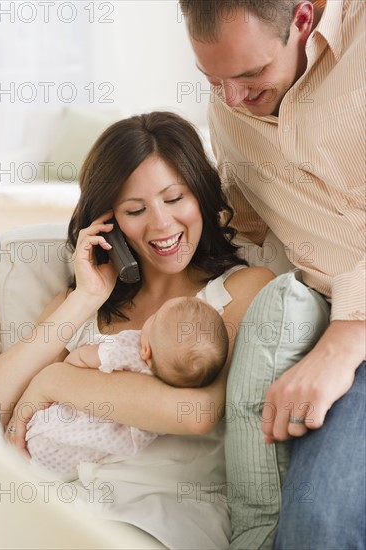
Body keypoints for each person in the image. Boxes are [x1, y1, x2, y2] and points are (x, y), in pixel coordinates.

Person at [0, 111, 273, 548]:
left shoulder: (239, 290)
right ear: (108, 222)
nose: (162, 224)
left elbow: (195, 411)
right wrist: (85, 298)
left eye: (175, 199)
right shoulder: (78, 306)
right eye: (135, 210)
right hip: (58, 509)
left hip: (161, 519)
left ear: (202, 196)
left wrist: (54, 379)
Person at [179, 0, 365, 547]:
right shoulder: (230, 115)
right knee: (317, 528)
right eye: (212, 80)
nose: (232, 100)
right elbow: (238, 234)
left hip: (351, 337)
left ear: (303, 20)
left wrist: (345, 339)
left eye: (250, 76)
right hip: (347, 346)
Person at [26, 296, 229, 479]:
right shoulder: (166, 396)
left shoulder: (129, 348)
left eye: (156, 317)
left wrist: (66, 371)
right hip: (80, 455)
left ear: (147, 351)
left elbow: (81, 357)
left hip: (46, 432)